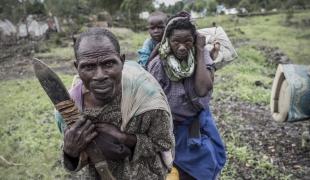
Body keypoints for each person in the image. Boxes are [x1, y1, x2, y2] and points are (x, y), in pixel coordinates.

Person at [55, 27, 174, 180]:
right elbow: (75, 157)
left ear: (122, 61)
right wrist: (70, 152)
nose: (100, 75)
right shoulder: (71, 107)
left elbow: (164, 143)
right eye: (88, 67)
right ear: (76, 68)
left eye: (109, 64)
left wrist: (126, 140)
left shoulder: (147, 100)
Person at [147, 12, 226, 180]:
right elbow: (152, 103)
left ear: (194, 40)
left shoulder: (201, 56)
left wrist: (199, 49)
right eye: (176, 41)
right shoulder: (158, 64)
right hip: (168, 130)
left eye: (187, 41)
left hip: (195, 124)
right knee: (173, 171)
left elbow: (203, 89)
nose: (182, 47)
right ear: (168, 41)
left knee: (205, 165)